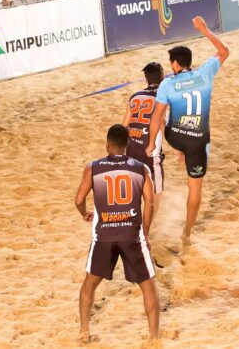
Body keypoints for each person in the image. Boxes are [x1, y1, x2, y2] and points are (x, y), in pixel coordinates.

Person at [146, 16, 230, 245]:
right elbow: (224, 51)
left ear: (174, 64)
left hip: (175, 137)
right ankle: (187, 233)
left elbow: (156, 117)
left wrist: (152, 144)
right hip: (197, 142)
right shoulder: (205, 73)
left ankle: (177, 152)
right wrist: (204, 29)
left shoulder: (166, 84)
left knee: (163, 114)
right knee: (195, 192)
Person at [74, 124, 159, 343]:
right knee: (148, 285)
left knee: (89, 284)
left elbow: (79, 200)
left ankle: (84, 330)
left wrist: (85, 214)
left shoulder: (93, 168)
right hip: (131, 234)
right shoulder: (140, 169)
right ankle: (153, 336)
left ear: (107, 145)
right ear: (127, 146)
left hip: (104, 235)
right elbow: (149, 202)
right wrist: (145, 233)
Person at [122, 62, 165, 220]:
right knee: (155, 193)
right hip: (150, 152)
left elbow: (123, 125)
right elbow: (162, 125)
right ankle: (147, 229)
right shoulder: (162, 98)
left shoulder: (135, 97)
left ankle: (135, 223)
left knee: (135, 190)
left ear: (146, 79)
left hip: (131, 149)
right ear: (163, 76)